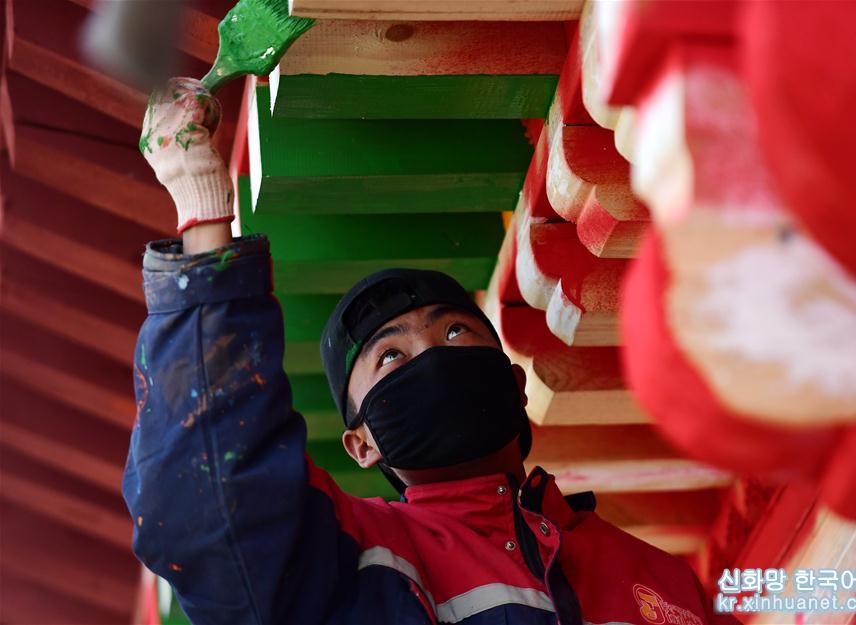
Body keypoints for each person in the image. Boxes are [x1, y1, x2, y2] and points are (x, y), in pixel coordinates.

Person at [124, 78, 738, 625]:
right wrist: (202, 207)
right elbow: (205, 509)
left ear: (515, 387)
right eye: (391, 357)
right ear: (360, 444)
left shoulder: (657, 580)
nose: (433, 357)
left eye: (454, 333)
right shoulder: (348, 557)